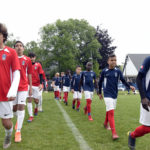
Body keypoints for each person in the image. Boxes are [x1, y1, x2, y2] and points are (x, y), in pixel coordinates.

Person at [99, 54, 135, 140]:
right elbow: (100, 82)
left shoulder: (118, 71)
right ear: (108, 61)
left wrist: (129, 86)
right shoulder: (104, 71)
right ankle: (114, 133)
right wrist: (99, 92)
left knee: (109, 110)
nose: (114, 62)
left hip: (115, 94)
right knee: (111, 112)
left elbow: (123, 80)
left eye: (115, 60)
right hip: (107, 94)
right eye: (112, 60)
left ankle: (105, 123)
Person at [0, 23, 21, 149]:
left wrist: (13, 91)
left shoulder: (11, 52)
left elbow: (16, 73)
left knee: (6, 123)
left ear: (3, 36)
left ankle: (8, 134)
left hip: (4, 94)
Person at [128, 56, 150, 150]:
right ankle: (132, 135)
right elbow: (139, 78)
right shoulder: (148, 59)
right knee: (147, 128)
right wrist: (143, 98)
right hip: (148, 100)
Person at [13, 41, 32, 142]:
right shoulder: (11, 58)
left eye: (21, 46)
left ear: (23, 48)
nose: (19, 47)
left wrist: (31, 87)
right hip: (13, 87)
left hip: (24, 86)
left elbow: (29, 74)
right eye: (17, 46)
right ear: (14, 48)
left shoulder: (27, 59)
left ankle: (18, 132)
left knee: (21, 107)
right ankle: (18, 121)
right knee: (14, 109)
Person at [27, 52, 43, 122]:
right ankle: (31, 116)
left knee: (36, 101)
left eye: (33, 57)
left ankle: (36, 107)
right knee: (29, 100)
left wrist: (40, 83)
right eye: (30, 57)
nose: (31, 58)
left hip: (36, 85)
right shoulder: (26, 64)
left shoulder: (38, 65)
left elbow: (41, 74)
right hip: (28, 85)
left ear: (35, 57)